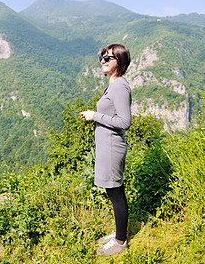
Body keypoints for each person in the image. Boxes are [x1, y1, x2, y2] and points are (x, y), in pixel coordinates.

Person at [80, 43, 132, 256]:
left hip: (112, 147)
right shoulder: (113, 85)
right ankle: (118, 234)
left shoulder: (119, 86)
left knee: (115, 192)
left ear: (119, 62)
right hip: (107, 145)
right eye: (101, 57)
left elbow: (124, 121)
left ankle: (120, 243)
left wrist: (95, 115)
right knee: (114, 192)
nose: (102, 61)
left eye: (108, 58)